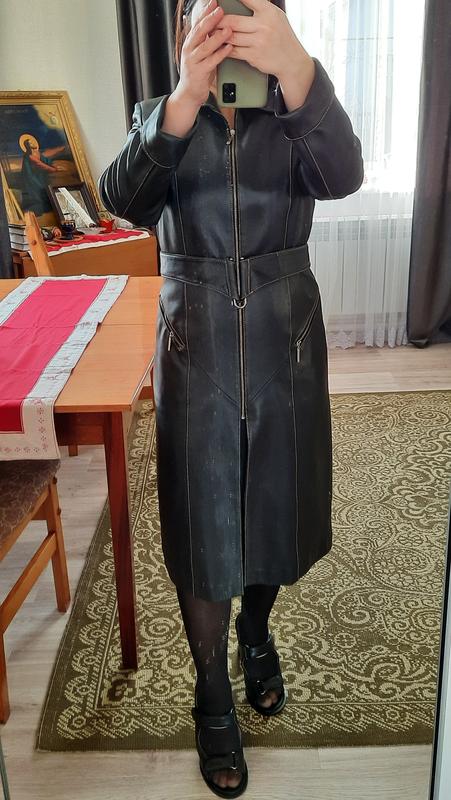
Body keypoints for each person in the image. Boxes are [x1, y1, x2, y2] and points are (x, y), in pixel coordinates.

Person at [98, 0, 364, 796]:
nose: (224, 31)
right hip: (197, 344)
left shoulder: (296, 108)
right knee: (203, 519)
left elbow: (344, 177)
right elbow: (122, 200)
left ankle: (256, 628)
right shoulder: (161, 113)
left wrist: (298, 70)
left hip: (286, 338)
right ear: (182, 28)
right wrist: (183, 98)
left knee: (277, 500)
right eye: (205, 15)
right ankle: (211, 688)